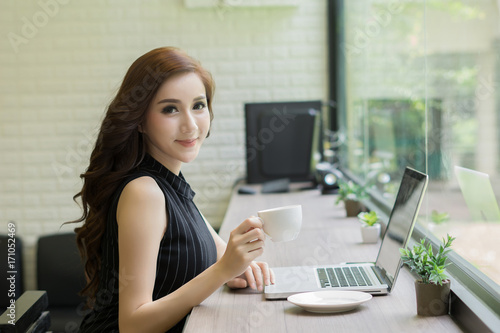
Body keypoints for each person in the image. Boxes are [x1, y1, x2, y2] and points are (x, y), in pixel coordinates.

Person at [71, 47, 274, 333]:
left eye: (198, 105)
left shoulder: (173, 186)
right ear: (140, 120)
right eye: (170, 109)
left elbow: (221, 255)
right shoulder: (144, 192)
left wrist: (237, 268)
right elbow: (133, 324)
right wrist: (224, 270)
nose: (190, 125)